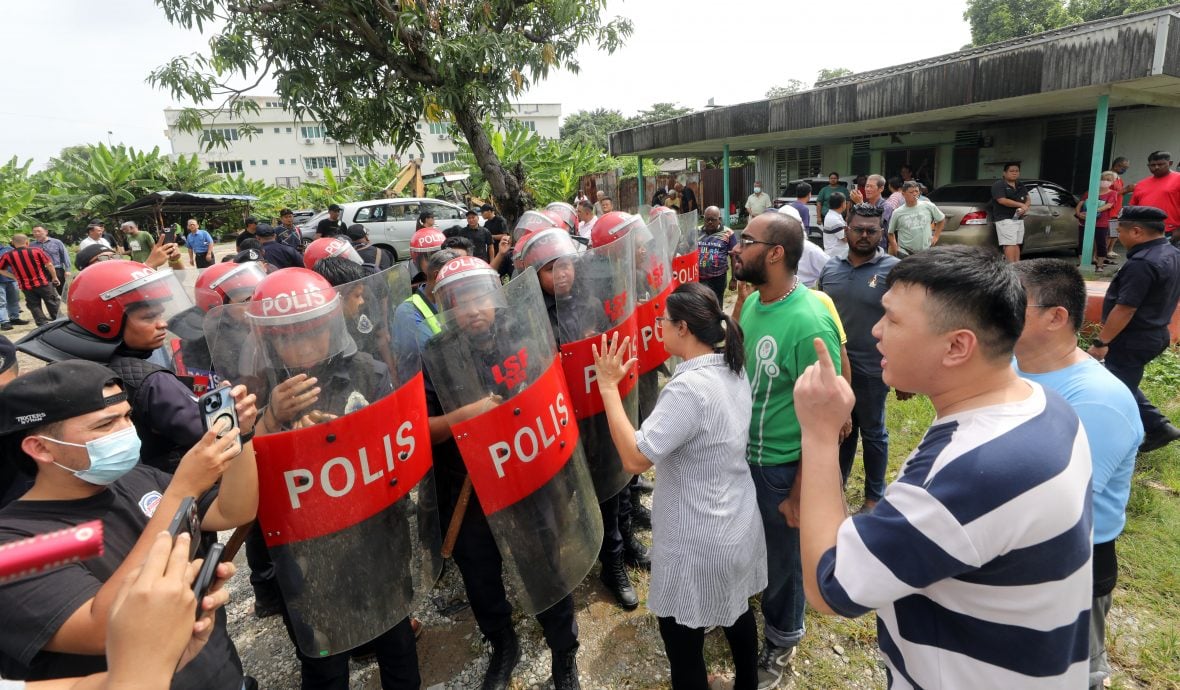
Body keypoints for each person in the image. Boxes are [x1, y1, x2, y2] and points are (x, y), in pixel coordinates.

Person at [793, 245, 1092, 688]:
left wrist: (819, 434)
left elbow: (830, 587)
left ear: (956, 346)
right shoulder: (1045, 404)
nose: (876, 330)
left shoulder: (969, 472)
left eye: (892, 319)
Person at [0, 359, 259, 688]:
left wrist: (241, 437)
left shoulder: (135, 478)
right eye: (105, 424)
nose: (125, 431)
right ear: (40, 448)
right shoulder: (16, 544)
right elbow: (102, 628)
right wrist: (182, 489)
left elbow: (232, 512)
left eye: (127, 416)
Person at [592, 283, 764, 690]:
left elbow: (635, 458)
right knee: (736, 611)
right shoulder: (732, 367)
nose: (660, 327)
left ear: (683, 327)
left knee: (681, 637)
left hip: (699, 539)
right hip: (736, 520)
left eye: (663, 321)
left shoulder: (688, 389)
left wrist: (607, 387)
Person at [421, 256, 583, 690]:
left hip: (525, 474)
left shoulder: (522, 335)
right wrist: (468, 415)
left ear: (495, 297)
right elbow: (423, 429)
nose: (474, 309)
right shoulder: (435, 355)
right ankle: (502, 643)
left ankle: (564, 651)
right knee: (480, 573)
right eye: (462, 301)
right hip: (468, 487)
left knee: (545, 561)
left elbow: (551, 393)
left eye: (481, 297)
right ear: (447, 307)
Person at [1012, 258, 1142, 690]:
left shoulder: (1097, 399)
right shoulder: (1010, 367)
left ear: (1056, 317)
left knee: (1069, 674)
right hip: (1011, 554)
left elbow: (1059, 504)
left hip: (1070, 564)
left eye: (1010, 302)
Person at [728, 210, 842, 689]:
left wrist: (800, 491)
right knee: (752, 549)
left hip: (781, 467)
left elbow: (831, 423)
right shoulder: (756, 301)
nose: (736, 247)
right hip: (744, 458)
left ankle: (781, 639)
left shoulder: (810, 321)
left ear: (775, 253)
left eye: (746, 240)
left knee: (785, 563)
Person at [15, 261, 208, 471]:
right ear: (106, 321)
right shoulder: (153, 381)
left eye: (160, 315)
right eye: (149, 317)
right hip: (165, 477)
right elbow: (210, 434)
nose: (163, 323)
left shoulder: (65, 362)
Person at [816, 204, 899, 513]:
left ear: (881, 233)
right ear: (846, 230)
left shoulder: (893, 270)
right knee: (840, 431)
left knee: (873, 433)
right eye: (858, 229)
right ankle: (835, 490)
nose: (864, 235)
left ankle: (874, 498)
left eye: (871, 231)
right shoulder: (830, 267)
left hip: (872, 369)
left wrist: (902, 369)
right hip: (835, 371)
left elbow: (905, 319)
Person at [1088, 205, 1180, 451]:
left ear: (1137, 231)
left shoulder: (1142, 263)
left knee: (1117, 392)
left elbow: (1125, 309)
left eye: (1120, 231)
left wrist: (1101, 342)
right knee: (1121, 381)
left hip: (1132, 338)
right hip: (1155, 332)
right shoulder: (1171, 253)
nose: (1118, 237)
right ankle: (1159, 427)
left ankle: (1121, 441)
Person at [0, 234, 60, 327]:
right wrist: (54, 277)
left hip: (26, 286)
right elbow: (49, 265)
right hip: (43, 282)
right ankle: (58, 321)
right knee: (52, 302)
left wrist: (14, 277)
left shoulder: (8, 255)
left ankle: (42, 324)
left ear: (13, 243)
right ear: (27, 242)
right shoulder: (36, 250)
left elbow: (1, 270)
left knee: (34, 305)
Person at [1074, 171, 1118, 272]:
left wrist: (1093, 211)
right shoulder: (1089, 192)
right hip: (1084, 221)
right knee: (1082, 243)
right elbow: (1080, 204)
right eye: (1103, 179)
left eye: (1108, 180)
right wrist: (1078, 214)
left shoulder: (1113, 193)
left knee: (1101, 243)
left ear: (1112, 182)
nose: (1105, 181)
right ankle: (1082, 263)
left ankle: (1100, 265)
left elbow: (1108, 205)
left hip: (1101, 223)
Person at [1129, 151, 1180, 239]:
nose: (1156, 167)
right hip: (1143, 231)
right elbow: (1133, 208)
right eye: (1153, 165)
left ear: (1170, 163)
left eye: (1160, 164)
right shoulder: (1141, 184)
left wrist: (1178, 231)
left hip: (1169, 232)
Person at [888, 181, 946, 257]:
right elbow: (890, 233)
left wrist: (936, 237)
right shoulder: (897, 212)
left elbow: (941, 219)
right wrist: (895, 248)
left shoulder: (928, 206)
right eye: (911, 192)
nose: (914, 194)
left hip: (925, 251)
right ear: (903, 194)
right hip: (905, 252)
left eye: (916, 191)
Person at [697, 206, 737, 305]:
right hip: (698, 277)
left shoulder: (728, 233)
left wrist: (733, 279)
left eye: (713, 219)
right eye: (707, 219)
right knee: (700, 305)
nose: (710, 222)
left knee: (716, 305)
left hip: (718, 278)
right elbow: (687, 251)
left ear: (719, 219)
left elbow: (734, 256)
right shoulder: (696, 231)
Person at [991, 162, 1031, 262]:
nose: (1014, 173)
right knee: (1009, 244)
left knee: (1017, 243)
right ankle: (1010, 267)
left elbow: (1028, 198)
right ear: (1004, 173)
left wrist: (1025, 207)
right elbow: (1002, 200)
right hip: (1005, 219)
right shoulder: (999, 185)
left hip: (1018, 218)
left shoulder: (1020, 185)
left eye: (1017, 171)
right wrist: (1021, 205)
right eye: (1011, 171)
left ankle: (1017, 266)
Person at [30, 226, 69, 299]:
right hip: (42, 272)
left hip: (57, 270)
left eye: (39, 231)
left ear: (46, 232)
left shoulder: (57, 242)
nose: (36, 233)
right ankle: (55, 305)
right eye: (34, 232)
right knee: (49, 294)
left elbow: (65, 255)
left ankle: (69, 305)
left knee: (63, 293)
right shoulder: (31, 245)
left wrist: (67, 270)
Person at [821, 192, 848, 256]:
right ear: (842, 204)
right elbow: (846, 239)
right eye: (845, 202)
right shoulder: (833, 219)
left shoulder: (835, 215)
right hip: (835, 255)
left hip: (837, 254)